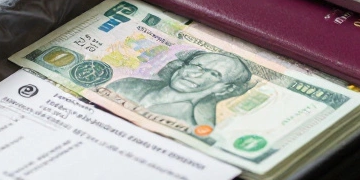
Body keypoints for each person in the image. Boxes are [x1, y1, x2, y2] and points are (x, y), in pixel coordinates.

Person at [107, 50, 253, 128]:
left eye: (214, 74)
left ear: (225, 89)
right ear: (182, 65)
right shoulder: (126, 84)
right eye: (196, 65)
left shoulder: (190, 124)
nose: (194, 74)